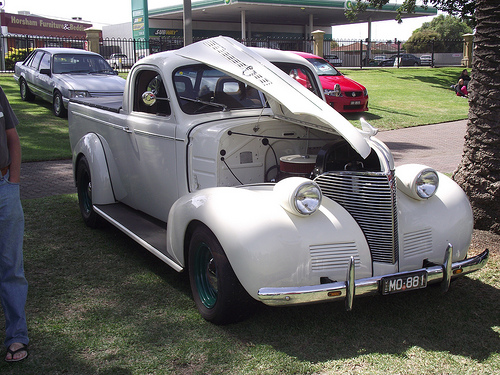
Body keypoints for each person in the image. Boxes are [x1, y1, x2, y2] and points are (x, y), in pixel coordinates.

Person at [0, 86, 29, 362]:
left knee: (11, 267)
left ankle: (17, 335)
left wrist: (13, 184)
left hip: (3, 188)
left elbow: (12, 139)